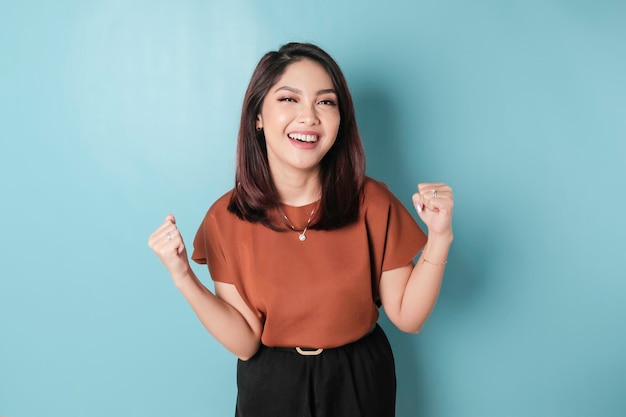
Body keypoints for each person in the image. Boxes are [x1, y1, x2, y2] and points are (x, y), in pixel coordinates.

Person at [148, 42, 454, 417]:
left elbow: (409, 316)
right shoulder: (226, 218)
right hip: (271, 385)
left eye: (325, 102)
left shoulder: (372, 202)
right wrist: (182, 277)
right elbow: (245, 342)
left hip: (359, 379)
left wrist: (439, 237)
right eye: (289, 99)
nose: (309, 116)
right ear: (257, 116)